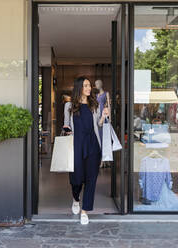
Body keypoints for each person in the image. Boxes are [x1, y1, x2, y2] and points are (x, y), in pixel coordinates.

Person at [63, 76, 109, 225]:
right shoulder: (69, 106)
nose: (89, 88)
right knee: (76, 179)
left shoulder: (93, 104)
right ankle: (76, 198)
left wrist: (103, 116)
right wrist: (67, 130)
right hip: (76, 145)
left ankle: (85, 211)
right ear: (79, 88)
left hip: (92, 145)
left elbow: (99, 125)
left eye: (89, 86)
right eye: (86, 86)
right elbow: (66, 125)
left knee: (91, 179)